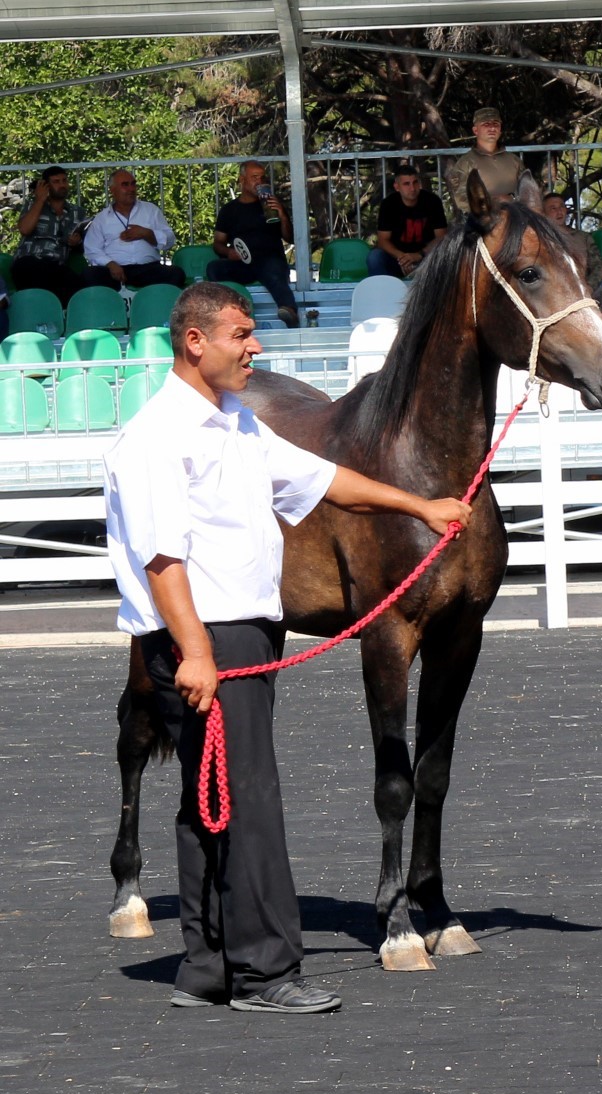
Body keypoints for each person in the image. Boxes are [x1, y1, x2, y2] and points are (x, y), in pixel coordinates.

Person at [103, 282, 471, 1014]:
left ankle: (208, 968)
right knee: (248, 801)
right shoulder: (156, 438)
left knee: (209, 801)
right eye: (242, 334)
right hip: (203, 636)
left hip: (241, 632)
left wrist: (420, 505)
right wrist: (196, 652)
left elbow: (327, 480)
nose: (256, 348)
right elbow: (161, 560)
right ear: (195, 341)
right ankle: (267, 975)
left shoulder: (235, 423)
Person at [206, 161, 299, 328]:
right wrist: (228, 253)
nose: (260, 181)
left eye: (262, 177)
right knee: (214, 268)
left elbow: (290, 238)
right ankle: (228, 314)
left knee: (274, 272)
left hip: (270, 260)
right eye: (254, 177)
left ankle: (289, 311)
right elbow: (218, 243)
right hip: (243, 263)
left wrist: (283, 215)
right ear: (242, 180)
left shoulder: (272, 204)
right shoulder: (229, 210)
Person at [81, 168, 186, 291]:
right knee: (88, 275)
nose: (131, 189)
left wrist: (147, 233)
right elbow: (92, 249)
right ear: (112, 190)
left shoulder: (151, 210)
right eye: (125, 185)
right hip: (114, 271)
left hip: (148, 269)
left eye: (133, 184)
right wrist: (110, 264)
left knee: (176, 273)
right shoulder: (102, 218)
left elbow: (170, 241)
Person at [12, 165, 87, 307]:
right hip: (29, 262)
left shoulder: (77, 213)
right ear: (46, 185)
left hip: (57, 266)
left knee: (80, 289)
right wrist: (40, 200)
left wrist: (76, 243)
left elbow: (84, 248)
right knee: (36, 275)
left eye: (64, 181)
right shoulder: (32, 205)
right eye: (56, 182)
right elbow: (25, 229)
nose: (62, 185)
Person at [541, 192, 602, 320]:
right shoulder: (539, 240)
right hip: (553, 294)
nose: (559, 211)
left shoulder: (583, 238)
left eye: (562, 207)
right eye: (553, 208)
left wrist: (588, 287)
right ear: (543, 213)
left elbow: (598, 268)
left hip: (584, 291)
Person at [367, 165, 448, 279]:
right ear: (397, 187)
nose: (412, 188)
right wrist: (403, 258)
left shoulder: (432, 201)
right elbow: (382, 240)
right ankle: (381, 293)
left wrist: (419, 255)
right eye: (406, 184)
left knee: (446, 255)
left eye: (415, 182)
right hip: (397, 259)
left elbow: (441, 237)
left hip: (426, 258)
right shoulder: (388, 204)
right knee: (374, 257)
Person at [444, 107, 525, 215]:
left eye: (496, 124)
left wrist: (513, 200)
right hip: (482, 221)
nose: (492, 128)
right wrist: (489, 204)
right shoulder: (465, 163)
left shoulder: (514, 161)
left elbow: (526, 191)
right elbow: (461, 199)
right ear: (475, 130)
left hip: (513, 218)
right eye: (486, 124)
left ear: (500, 129)